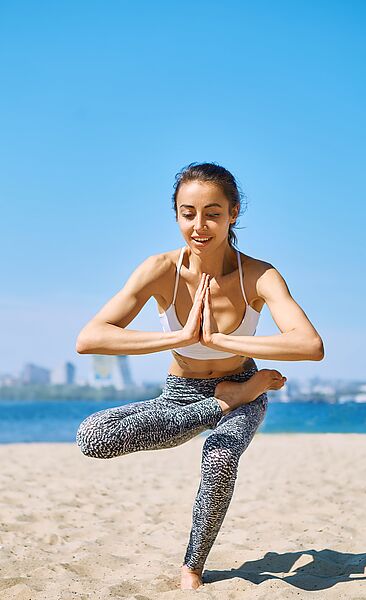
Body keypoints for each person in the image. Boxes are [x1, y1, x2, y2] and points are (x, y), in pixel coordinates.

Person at [75, 162, 324, 589]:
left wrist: (225, 342)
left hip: (246, 386)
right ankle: (225, 401)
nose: (199, 224)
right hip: (182, 395)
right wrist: (180, 335)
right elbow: (90, 338)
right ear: (176, 214)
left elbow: (310, 345)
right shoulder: (160, 270)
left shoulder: (259, 275)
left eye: (213, 212)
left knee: (220, 458)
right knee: (92, 438)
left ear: (234, 213)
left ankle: (193, 568)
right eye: (187, 212)